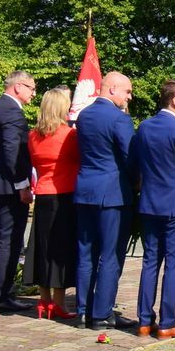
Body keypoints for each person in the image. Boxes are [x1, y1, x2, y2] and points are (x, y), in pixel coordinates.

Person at [132, 80, 175, 339]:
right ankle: (167, 323)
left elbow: (135, 163)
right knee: (174, 263)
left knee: (150, 261)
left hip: (149, 203)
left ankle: (143, 320)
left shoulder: (145, 127)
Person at [74, 71, 137, 330]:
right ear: (112, 89)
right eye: (127, 92)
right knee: (110, 255)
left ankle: (83, 311)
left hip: (85, 190)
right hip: (112, 194)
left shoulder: (84, 115)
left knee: (86, 253)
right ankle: (102, 314)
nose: (129, 97)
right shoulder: (119, 119)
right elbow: (130, 157)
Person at [25, 86, 80, 319]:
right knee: (61, 250)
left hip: (43, 196)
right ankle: (59, 303)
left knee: (42, 248)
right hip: (64, 195)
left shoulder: (32, 135)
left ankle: (43, 300)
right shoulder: (69, 135)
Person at [0, 70, 37, 313]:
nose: (33, 93)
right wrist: (22, 186)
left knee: (4, 241)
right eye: (31, 88)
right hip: (8, 188)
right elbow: (11, 153)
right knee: (7, 242)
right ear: (18, 86)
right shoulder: (10, 111)